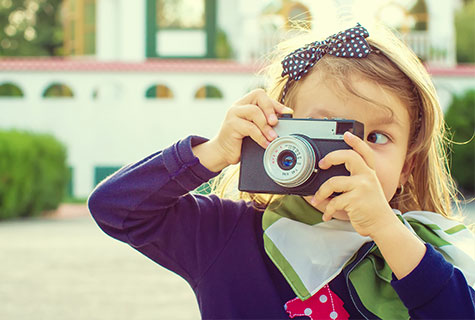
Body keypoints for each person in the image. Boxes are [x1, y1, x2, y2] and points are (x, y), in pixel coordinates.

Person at [88, 23, 475, 319]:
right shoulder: (227, 234)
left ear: (407, 166)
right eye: (327, 131)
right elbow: (115, 208)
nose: (349, 155)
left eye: (376, 136)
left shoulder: (423, 253)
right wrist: (215, 152)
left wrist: (388, 231)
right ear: (280, 133)